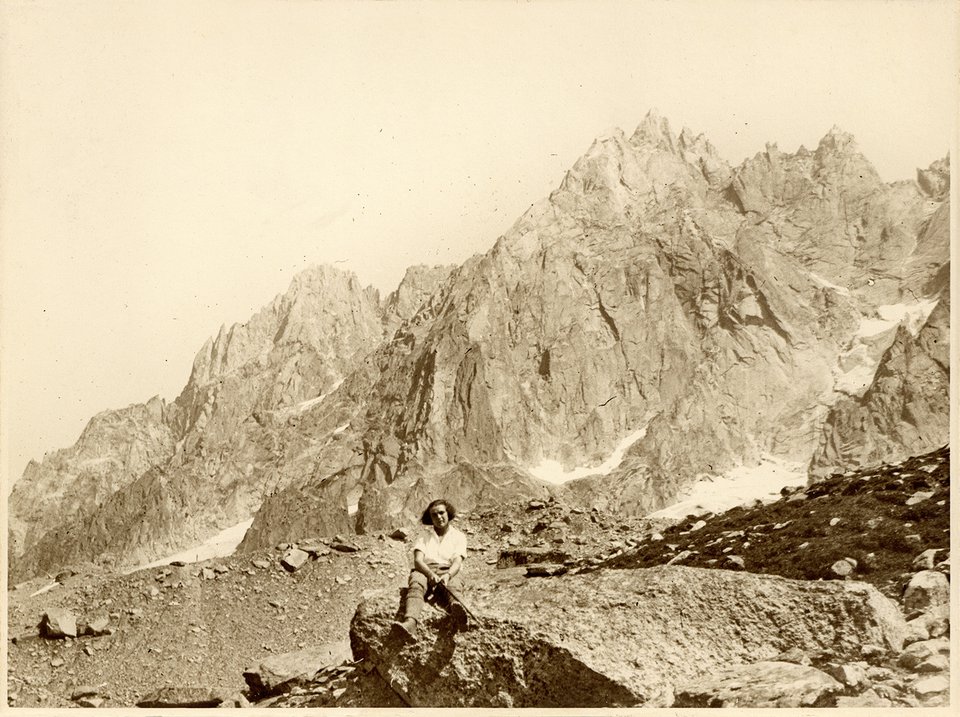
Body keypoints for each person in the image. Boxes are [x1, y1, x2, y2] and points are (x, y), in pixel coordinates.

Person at [394, 498, 468, 638]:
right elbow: (418, 561)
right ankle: (410, 622)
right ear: (430, 517)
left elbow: (457, 563)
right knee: (416, 583)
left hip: (449, 570)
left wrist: (447, 576)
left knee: (454, 586)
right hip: (426, 570)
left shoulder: (459, 536)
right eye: (434, 515)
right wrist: (429, 574)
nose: (439, 517)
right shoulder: (424, 536)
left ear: (448, 514)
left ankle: (459, 615)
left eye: (441, 513)